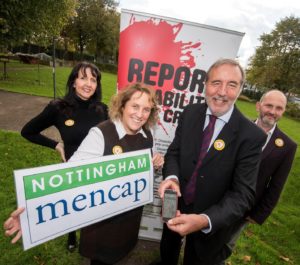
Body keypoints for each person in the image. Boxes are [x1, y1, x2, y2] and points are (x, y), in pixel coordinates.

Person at [4, 83, 164, 265]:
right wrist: (30, 216)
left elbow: (141, 173)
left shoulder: (147, 135)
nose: (140, 114)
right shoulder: (101, 134)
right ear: (122, 105)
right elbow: (69, 177)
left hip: (129, 222)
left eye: (146, 109)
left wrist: (154, 165)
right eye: (135, 106)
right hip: (103, 226)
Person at [154, 58, 267, 265]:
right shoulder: (190, 113)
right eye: (216, 83)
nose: (222, 91)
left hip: (212, 217)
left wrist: (205, 220)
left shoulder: (252, 136)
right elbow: (174, 153)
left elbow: (243, 195)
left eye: (231, 85)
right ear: (205, 85)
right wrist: (172, 177)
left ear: (240, 90)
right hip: (177, 203)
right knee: (168, 247)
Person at [20, 61, 108, 251]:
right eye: (83, 78)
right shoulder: (58, 107)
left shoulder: (102, 109)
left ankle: (91, 238)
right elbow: (28, 132)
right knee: (73, 207)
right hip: (72, 172)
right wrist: (56, 145)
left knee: (94, 210)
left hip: (97, 172)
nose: (88, 84)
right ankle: (71, 235)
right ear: (73, 81)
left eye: (93, 80)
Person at [226, 89, 297, 254]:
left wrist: (258, 215)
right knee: (205, 239)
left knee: (226, 245)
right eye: (269, 105)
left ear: (283, 112)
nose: (272, 112)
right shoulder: (238, 129)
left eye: (278, 108)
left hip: (246, 208)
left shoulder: (287, 146)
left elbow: (276, 186)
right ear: (258, 106)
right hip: (219, 197)